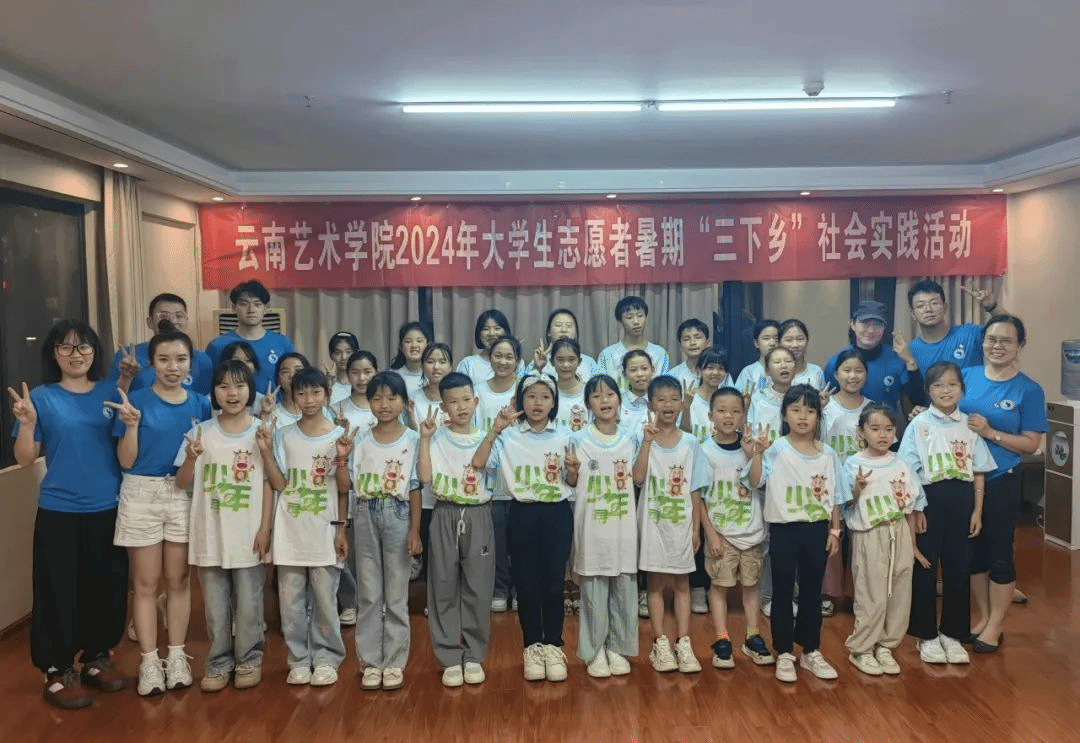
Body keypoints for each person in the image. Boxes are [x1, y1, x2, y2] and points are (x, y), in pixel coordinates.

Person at [8, 320, 129, 709]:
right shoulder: (41, 398)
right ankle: (57, 670)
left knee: (106, 587)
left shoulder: (111, 393)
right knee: (58, 591)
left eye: (83, 347)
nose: (76, 354)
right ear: (54, 353)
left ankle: (97, 656)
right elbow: (25, 458)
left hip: (107, 506)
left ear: (95, 352)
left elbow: (125, 450)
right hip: (59, 509)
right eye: (66, 347)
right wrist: (27, 425)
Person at [109, 324, 213, 696]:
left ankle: (178, 656)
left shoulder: (200, 403)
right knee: (145, 584)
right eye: (164, 359)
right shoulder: (135, 400)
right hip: (141, 492)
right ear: (151, 363)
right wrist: (131, 427)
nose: (173, 367)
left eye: (181, 359)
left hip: (184, 492)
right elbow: (126, 460)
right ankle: (149, 662)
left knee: (179, 580)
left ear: (191, 364)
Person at [174, 360, 273, 692]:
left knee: (249, 605)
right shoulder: (200, 432)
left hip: (249, 534)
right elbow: (181, 483)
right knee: (215, 608)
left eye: (240, 385)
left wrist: (265, 529)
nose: (232, 393)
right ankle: (218, 663)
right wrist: (191, 457)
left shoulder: (262, 431)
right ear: (213, 392)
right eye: (224, 386)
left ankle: (249, 659)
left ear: (250, 390)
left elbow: (270, 484)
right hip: (210, 534)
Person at [471, 374, 574, 683]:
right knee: (527, 586)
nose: (537, 403)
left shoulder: (567, 435)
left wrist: (573, 472)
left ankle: (554, 645)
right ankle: (532, 647)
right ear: (520, 401)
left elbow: (572, 481)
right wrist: (495, 430)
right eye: (531, 396)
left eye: (545, 397)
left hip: (557, 513)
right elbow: (478, 462)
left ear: (554, 402)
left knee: (553, 584)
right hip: (522, 513)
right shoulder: (508, 436)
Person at [743, 384, 849, 683]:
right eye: (796, 409)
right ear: (784, 415)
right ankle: (785, 651)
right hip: (783, 529)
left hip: (817, 529)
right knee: (783, 590)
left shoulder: (827, 453)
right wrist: (757, 454)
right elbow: (754, 482)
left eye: (811, 410)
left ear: (818, 416)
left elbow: (836, 495)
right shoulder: (775, 448)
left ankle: (810, 650)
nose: (803, 416)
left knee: (812, 592)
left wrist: (835, 531)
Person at [899, 361, 995, 666]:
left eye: (953, 384)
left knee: (958, 567)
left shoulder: (969, 424)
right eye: (938, 385)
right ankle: (926, 635)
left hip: (962, 500)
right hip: (929, 501)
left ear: (962, 390)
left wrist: (977, 510)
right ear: (928, 390)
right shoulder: (919, 424)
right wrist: (917, 508)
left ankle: (952, 633)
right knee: (925, 567)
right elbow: (908, 470)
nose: (946, 390)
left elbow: (979, 471)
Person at [960, 316, 1046, 653]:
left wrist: (991, 433)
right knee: (973, 554)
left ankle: (996, 624)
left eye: (1006, 340)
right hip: (964, 480)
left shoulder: (1029, 390)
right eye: (991, 339)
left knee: (998, 553)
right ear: (982, 342)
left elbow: (1031, 444)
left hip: (1002, 480)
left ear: (1020, 345)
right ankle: (983, 617)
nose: (997, 346)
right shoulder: (966, 376)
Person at [336, 371, 422, 691]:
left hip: (398, 514)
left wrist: (415, 530)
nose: (384, 404)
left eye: (391, 397)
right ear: (368, 402)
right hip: (364, 513)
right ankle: (371, 662)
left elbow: (415, 488)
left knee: (396, 594)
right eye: (377, 398)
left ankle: (395, 661)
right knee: (369, 594)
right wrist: (341, 460)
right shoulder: (359, 439)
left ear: (403, 401)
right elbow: (344, 487)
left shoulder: (413, 439)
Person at [264, 367, 348, 687]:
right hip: (290, 530)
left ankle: (327, 657)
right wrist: (264, 451)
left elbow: (344, 489)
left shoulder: (339, 436)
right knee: (290, 601)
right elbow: (279, 483)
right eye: (301, 393)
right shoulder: (284, 435)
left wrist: (341, 530)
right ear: (293, 396)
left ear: (327, 394)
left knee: (325, 599)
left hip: (325, 529)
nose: (309, 399)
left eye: (315, 392)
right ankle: (298, 658)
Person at [416, 372, 494, 687]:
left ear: (476, 401)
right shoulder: (435, 438)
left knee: (478, 586)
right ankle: (449, 656)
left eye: (466, 400)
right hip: (445, 513)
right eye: (453, 402)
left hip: (478, 514)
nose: (461, 407)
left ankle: (473, 655)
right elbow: (424, 478)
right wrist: (424, 439)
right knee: (443, 586)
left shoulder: (488, 437)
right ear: (443, 407)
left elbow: (486, 469)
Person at [842, 404, 926, 676]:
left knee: (900, 591)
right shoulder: (853, 463)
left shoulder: (901, 462)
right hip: (869, 533)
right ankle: (862, 648)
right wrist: (858, 488)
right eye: (875, 429)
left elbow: (910, 506)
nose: (883, 435)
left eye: (889, 429)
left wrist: (912, 544)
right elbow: (844, 503)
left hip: (898, 530)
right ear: (862, 432)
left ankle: (887, 645)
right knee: (871, 593)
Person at [634, 375, 709, 675]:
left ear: (682, 403)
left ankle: (684, 641)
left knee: (681, 583)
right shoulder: (643, 438)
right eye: (661, 399)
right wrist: (646, 442)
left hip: (682, 524)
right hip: (652, 522)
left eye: (673, 399)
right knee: (654, 583)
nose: (667, 405)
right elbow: (638, 478)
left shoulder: (691, 443)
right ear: (651, 404)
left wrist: (696, 528)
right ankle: (660, 642)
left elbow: (695, 489)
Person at [698, 387, 774, 671]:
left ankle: (752, 636)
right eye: (721, 411)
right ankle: (722, 639)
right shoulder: (704, 451)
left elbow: (755, 482)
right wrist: (711, 535)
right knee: (719, 586)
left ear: (744, 416)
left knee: (751, 586)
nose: (728, 416)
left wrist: (754, 455)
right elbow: (699, 498)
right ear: (710, 416)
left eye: (735, 411)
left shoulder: (751, 447)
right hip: (722, 533)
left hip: (752, 532)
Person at [570, 374, 639, 678]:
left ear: (619, 400)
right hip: (592, 526)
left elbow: (638, 477)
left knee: (624, 588)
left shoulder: (632, 438)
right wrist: (572, 472)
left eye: (610, 394)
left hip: (624, 527)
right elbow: (570, 480)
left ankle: (618, 647)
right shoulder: (577, 439)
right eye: (596, 396)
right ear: (588, 404)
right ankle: (594, 650)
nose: (604, 401)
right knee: (594, 590)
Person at [819, 348, 870, 615]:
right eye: (846, 370)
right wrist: (819, 410)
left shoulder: (871, 407)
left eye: (858, 370)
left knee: (859, 539)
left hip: (863, 483)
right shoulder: (825, 406)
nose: (852, 376)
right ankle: (827, 593)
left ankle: (856, 592)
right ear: (836, 374)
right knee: (831, 538)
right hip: (829, 483)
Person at [333, 349, 378, 627]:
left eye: (367, 372)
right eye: (355, 372)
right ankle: (349, 602)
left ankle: (374, 602)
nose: (362, 378)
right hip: (344, 490)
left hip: (375, 490)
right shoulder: (336, 409)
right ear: (347, 375)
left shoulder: (383, 405)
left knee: (371, 554)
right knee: (345, 552)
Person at [823, 300, 925, 412]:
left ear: (884, 328)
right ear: (852, 324)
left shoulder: (896, 360)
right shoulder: (837, 362)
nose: (871, 330)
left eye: (877, 324)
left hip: (886, 421)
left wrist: (910, 362)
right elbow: (828, 401)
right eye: (865, 323)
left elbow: (916, 401)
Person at [109, 293, 213, 396]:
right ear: (150, 322)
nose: (172, 321)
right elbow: (110, 399)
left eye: (179, 316)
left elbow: (205, 400)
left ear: (186, 321)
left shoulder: (202, 360)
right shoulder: (127, 357)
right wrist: (126, 378)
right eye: (163, 316)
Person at [205, 280, 295, 392]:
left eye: (257, 304)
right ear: (234, 308)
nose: (251, 310)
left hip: (274, 403)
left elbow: (294, 382)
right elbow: (210, 385)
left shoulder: (283, 343)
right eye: (244, 304)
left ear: (266, 308)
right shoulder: (217, 346)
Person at [907, 279, 1005, 375]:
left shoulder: (970, 334)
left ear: (945, 307)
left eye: (934, 303)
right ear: (913, 314)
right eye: (920, 306)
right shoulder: (910, 350)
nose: (928, 309)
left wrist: (993, 307)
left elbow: (1009, 332)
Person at [597, 295, 670, 390]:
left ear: (646, 318)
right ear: (620, 321)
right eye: (629, 317)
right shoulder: (607, 355)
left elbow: (664, 388)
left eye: (640, 316)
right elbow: (602, 388)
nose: (636, 321)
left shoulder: (660, 353)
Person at [528, 308, 599, 381]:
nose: (564, 330)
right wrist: (538, 368)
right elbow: (525, 386)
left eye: (569, 326)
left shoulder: (588, 362)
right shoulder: (537, 362)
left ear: (576, 333)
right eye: (558, 325)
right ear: (549, 332)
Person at [679, 348, 732, 443]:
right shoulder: (688, 396)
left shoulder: (728, 401)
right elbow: (683, 434)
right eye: (710, 368)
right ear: (699, 370)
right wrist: (686, 406)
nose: (715, 372)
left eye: (721, 368)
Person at [457, 308, 523, 383]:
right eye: (486, 329)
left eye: (497, 328)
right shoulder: (468, 364)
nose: (491, 333)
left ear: (506, 332)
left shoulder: (515, 362)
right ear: (479, 334)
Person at [473, 336, 522, 433]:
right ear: (490, 358)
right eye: (498, 356)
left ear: (517, 360)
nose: (502, 362)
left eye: (509, 357)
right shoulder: (477, 390)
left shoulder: (522, 390)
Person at [550, 338, 588, 433]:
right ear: (552, 362)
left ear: (579, 362)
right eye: (560, 360)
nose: (566, 365)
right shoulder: (548, 393)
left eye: (571, 360)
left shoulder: (589, 392)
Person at [777, 319, 825, 390]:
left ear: (807, 341)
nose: (795, 345)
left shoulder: (816, 371)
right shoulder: (770, 374)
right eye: (789, 340)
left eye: (800, 339)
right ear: (779, 343)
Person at [735, 320, 780, 394]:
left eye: (776, 339)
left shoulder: (786, 369)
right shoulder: (748, 372)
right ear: (756, 343)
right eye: (766, 338)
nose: (772, 343)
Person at [389, 321, 432, 398]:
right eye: (408, 341)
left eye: (419, 341)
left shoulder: (435, 374)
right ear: (401, 347)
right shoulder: (391, 376)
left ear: (428, 346)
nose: (414, 345)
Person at [267, 352, 311, 426]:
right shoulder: (272, 414)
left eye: (298, 370)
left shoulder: (320, 411)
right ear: (278, 380)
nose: (292, 375)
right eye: (285, 372)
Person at [668, 318, 713, 388]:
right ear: (680, 346)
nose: (692, 343)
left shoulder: (719, 373)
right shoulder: (673, 376)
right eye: (687, 339)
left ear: (708, 343)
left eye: (698, 337)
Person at [619, 349, 654, 435]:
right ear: (624, 374)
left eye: (644, 368)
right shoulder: (618, 403)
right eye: (633, 370)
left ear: (652, 370)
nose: (640, 374)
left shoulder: (660, 401)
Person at [328, 331, 360, 405]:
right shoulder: (326, 385)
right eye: (338, 353)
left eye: (348, 352)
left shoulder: (362, 384)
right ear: (331, 355)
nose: (343, 357)